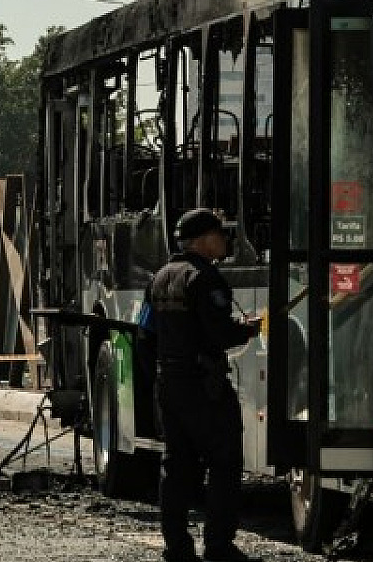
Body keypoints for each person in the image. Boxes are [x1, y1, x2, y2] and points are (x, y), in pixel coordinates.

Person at [147, 209, 261, 562]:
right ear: (201, 240)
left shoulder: (162, 277)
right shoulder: (205, 279)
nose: (225, 240)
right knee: (224, 462)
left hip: (169, 381)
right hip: (204, 385)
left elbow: (145, 334)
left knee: (176, 465)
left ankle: (177, 547)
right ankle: (218, 545)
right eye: (220, 234)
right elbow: (220, 334)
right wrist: (250, 329)